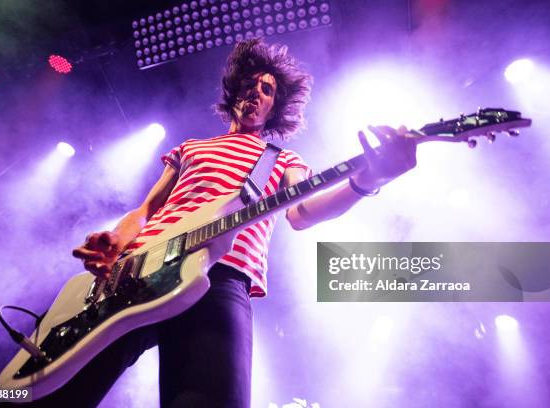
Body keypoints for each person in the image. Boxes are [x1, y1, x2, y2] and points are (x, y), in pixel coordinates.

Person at [24, 38, 416, 407]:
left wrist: (369, 179)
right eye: (250, 83)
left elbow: (303, 213)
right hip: (134, 273)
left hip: (220, 276)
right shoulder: (191, 148)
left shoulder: (281, 159)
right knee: (51, 392)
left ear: (275, 106)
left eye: (267, 89)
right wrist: (116, 238)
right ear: (234, 90)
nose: (256, 92)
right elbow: (146, 211)